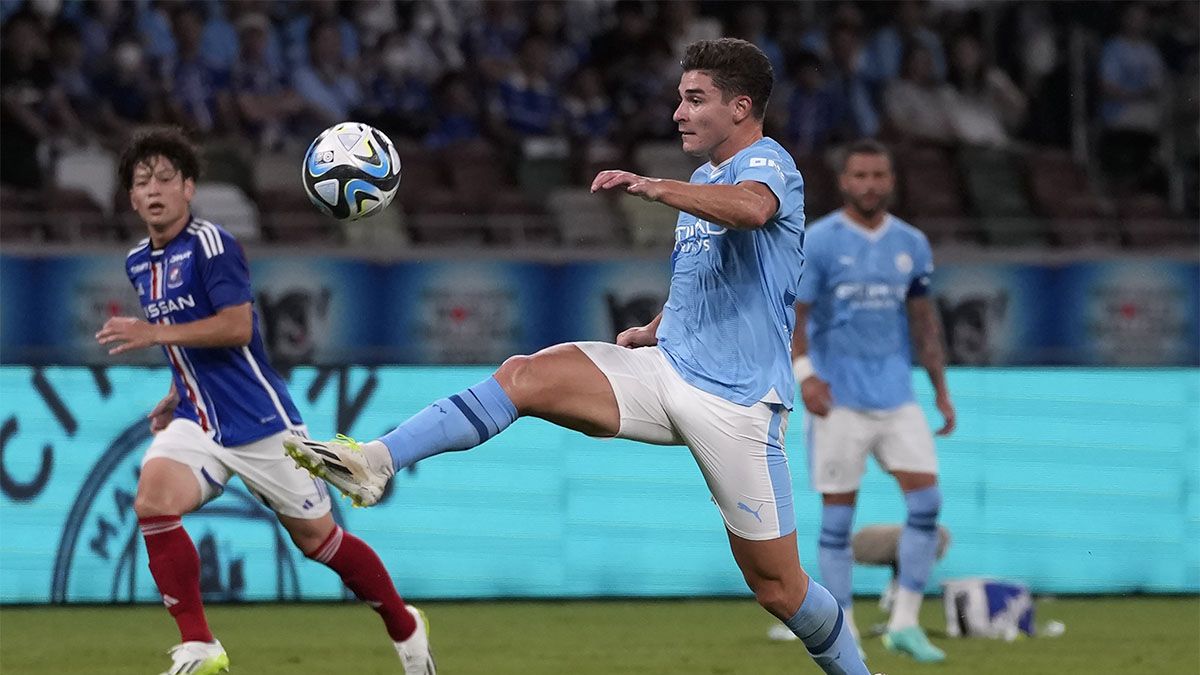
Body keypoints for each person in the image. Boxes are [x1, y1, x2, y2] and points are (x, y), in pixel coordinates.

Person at [285, 38, 872, 675]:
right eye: (679, 97)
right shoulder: (705, 178)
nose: (678, 112)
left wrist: (653, 187)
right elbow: (710, 279)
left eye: (694, 100)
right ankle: (376, 460)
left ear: (740, 107)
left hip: (736, 406)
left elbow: (753, 211)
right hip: (668, 369)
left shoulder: (769, 163)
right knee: (525, 376)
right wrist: (657, 326)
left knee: (779, 589)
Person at [94, 128, 435, 675]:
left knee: (320, 543)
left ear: (188, 188)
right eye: (141, 182)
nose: (153, 190)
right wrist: (175, 392)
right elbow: (188, 335)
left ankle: (404, 624)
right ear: (132, 199)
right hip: (197, 418)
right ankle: (201, 646)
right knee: (153, 503)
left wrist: (154, 336)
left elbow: (234, 328)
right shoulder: (140, 261)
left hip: (259, 423)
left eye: (164, 178)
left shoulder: (213, 246)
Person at [790, 139, 956, 663]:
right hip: (838, 400)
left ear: (891, 180)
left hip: (897, 395)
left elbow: (924, 320)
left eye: (878, 175)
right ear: (844, 181)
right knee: (838, 517)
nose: (869, 185)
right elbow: (796, 316)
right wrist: (805, 376)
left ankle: (905, 621)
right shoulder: (819, 242)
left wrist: (941, 390)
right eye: (859, 175)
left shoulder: (911, 243)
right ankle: (845, 631)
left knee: (927, 504)